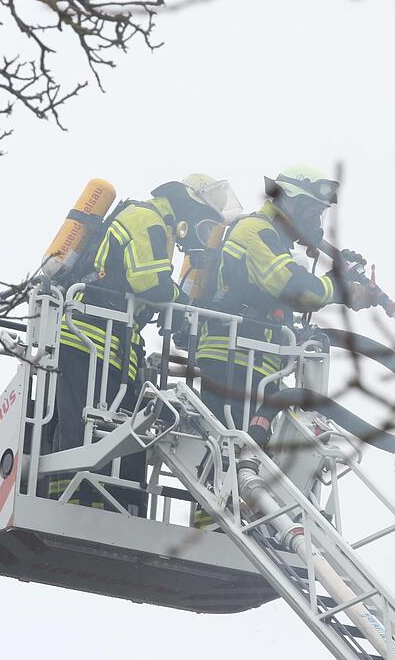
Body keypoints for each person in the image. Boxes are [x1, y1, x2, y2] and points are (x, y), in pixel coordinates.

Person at [47, 175, 241, 515]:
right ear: (186, 205)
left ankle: (113, 501)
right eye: (201, 221)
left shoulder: (159, 229)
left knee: (118, 427)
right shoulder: (147, 219)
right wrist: (183, 302)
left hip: (114, 341)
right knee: (83, 424)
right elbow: (149, 281)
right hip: (90, 337)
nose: (199, 230)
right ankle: (76, 502)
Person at [196, 165, 374, 448]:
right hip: (232, 359)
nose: (316, 223)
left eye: (320, 214)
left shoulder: (275, 241)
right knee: (231, 455)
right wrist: (342, 287)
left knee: (249, 459)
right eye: (311, 212)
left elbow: (271, 301)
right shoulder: (255, 231)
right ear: (290, 202)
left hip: (256, 361)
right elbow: (297, 289)